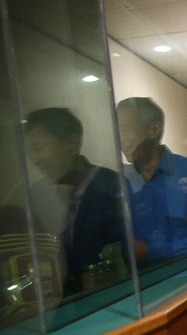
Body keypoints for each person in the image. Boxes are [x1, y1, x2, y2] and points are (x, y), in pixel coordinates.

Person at [24, 108, 127, 295]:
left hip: (110, 293)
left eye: (39, 148)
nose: (35, 159)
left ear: (73, 143)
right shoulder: (35, 194)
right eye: (31, 150)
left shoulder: (108, 183)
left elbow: (125, 247)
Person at [116, 97, 187, 263]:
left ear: (153, 129)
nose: (119, 139)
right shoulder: (122, 181)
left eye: (123, 129)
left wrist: (151, 251)